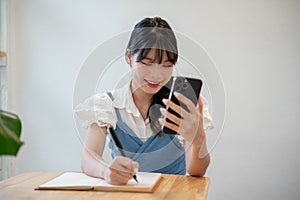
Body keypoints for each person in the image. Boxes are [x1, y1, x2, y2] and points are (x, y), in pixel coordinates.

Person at [74, 17, 213, 185]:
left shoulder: (184, 106)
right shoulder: (107, 105)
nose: (157, 75)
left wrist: (198, 140)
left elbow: (197, 171)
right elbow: (88, 158)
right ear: (129, 57)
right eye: (147, 63)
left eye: (166, 65)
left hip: (172, 194)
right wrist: (106, 170)